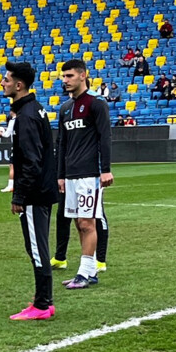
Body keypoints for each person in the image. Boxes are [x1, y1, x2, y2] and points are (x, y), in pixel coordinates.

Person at [3, 61, 58, 321]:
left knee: (37, 248)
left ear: (19, 85)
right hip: (41, 191)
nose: (2, 83)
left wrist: (20, 196)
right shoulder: (34, 110)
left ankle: (43, 305)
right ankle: (43, 300)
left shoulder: (26, 116)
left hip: (35, 194)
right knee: (37, 246)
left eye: (6, 79)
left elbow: (31, 161)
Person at [52, 59, 113, 289]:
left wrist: (105, 170)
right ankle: (88, 271)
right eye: (63, 76)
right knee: (79, 223)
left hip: (90, 174)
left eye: (69, 76)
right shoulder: (65, 108)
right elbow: (62, 144)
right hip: (70, 175)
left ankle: (84, 273)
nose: (65, 80)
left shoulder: (96, 103)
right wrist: (60, 175)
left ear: (82, 75)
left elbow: (105, 137)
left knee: (87, 223)